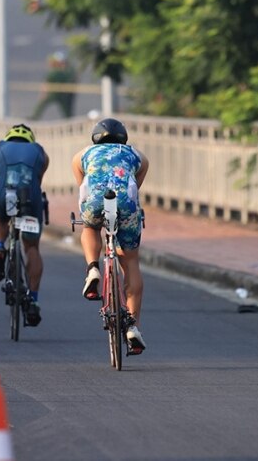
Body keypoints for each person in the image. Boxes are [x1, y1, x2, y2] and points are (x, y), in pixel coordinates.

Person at [71, 117, 150, 354]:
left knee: (90, 228)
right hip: (126, 202)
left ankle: (93, 268)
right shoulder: (137, 155)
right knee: (131, 261)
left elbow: (82, 183)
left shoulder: (83, 154)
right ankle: (132, 326)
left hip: (95, 198)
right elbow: (137, 183)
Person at [0, 123, 50, 327]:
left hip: (4, 195)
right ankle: (33, 299)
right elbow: (37, 181)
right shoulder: (41, 153)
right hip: (30, 198)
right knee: (31, 247)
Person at [30, 52, 77, 120]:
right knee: (42, 104)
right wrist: (43, 93)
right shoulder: (54, 71)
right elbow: (46, 82)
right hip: (53, 93)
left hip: (64, 94)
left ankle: (69, 120)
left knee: (67, 110)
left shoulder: (69, 70)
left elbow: (74, 79)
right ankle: (34, 117)